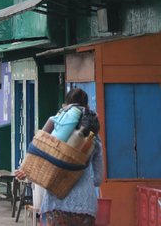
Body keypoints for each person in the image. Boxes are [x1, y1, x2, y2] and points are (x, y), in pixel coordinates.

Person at [16, 88, 103, 226]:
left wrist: (25, 170)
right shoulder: (94, 137)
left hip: (55, 205)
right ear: (87, 107)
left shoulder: (55, 122)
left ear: (66, 105)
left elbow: (37, 147)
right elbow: (98, 179)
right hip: (86, 207)